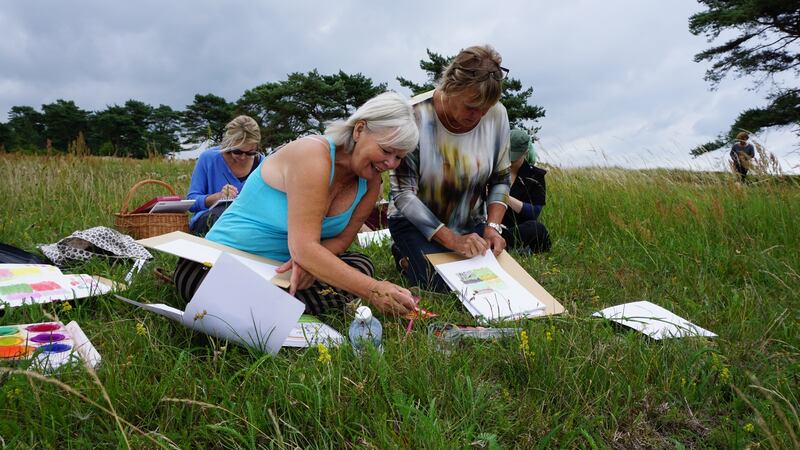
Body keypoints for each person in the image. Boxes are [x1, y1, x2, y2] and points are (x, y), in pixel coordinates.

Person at [174, 92, 419, 316]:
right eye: (386, 151)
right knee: (351, 280)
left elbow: (342, 240)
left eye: (399, 157)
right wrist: (374, 290)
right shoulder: (313, 155)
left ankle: (258, 309)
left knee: (361, 265)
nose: (390, 163)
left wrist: (311, 265)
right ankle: (271, 308)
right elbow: (304, 248)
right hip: (220, 261)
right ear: (359, 130)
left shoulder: (371, 183)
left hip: (282, 271)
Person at [387, 44, 512, 292]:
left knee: (487, 283)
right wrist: (452, 240)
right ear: (450, 87)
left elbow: (500, 178)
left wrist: (492, 227)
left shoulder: (497, 114)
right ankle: (403, 253)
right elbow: (403, 194)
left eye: (485, 109)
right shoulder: (415, 115)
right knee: (442, 286)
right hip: (415, 223)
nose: (478, 116)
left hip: (469, 221)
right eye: (471, 107)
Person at [186, 115, 264, 235]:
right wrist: (217, 197)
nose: (243, 157)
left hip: (249, 221)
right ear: (228, 144)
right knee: (225, 218)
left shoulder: (263, 164)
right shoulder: (209, 159)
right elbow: (191, 202)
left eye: (250, 153)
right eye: (237, 151)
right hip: (212, 220)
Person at [501, 129, 551, 254]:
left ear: (525, 152)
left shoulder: (536, 176)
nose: (510, 160)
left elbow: (534, 213)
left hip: (517, 230)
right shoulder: (494, 170)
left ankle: (509, 247)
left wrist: (504, 196)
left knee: (538, 229)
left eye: (514, 157)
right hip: (493, 227)